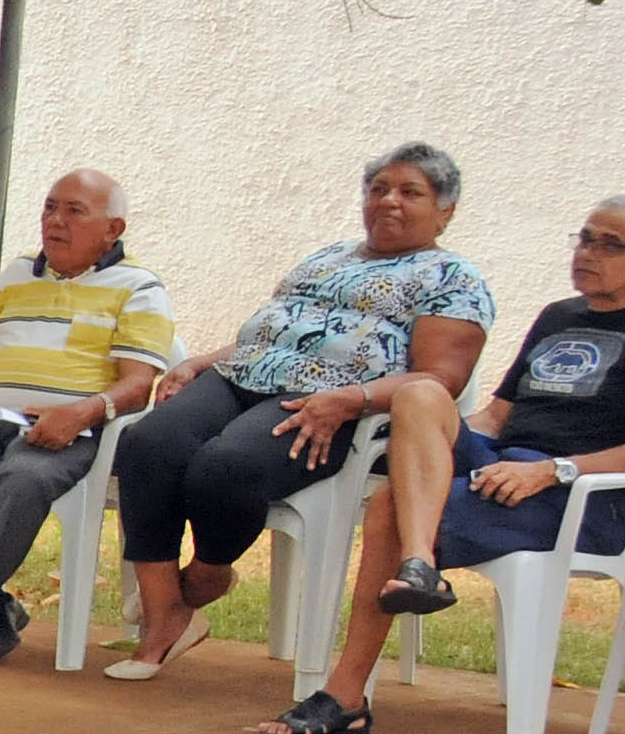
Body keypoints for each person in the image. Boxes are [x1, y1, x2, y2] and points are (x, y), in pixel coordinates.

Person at [252, 193, 625, 734]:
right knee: (419, 393)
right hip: (503, 467)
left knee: (390, 505)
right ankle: (419, 564)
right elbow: (497, 416)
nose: (588, 253)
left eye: (610, 245)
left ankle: (346, 694)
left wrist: (554, 470)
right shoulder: (559, 316)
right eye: (584, 238)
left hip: (584, 497)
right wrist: (426, 437)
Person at [111, 144, 495, 681]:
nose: (389, 201)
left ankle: (202, 581)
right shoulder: (328, 257)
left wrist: (351, 399)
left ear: (445, 211)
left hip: (332, 403)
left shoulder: (453, 278)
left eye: (410, 192)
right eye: (379, 189)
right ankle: (162, 616)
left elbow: (438, 379)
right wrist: (198, 362)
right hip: (241, 375)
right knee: (148, 444)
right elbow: (272, 335)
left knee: (227, 467)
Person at [0, 168, 179, 662]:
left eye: (73, 211)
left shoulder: (139, 287)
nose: (55, 221)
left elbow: (137, 384)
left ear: (113, 230)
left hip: (68, 427)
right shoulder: (16, 274)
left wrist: (80, 413)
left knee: (22, 479)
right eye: (50, 207)